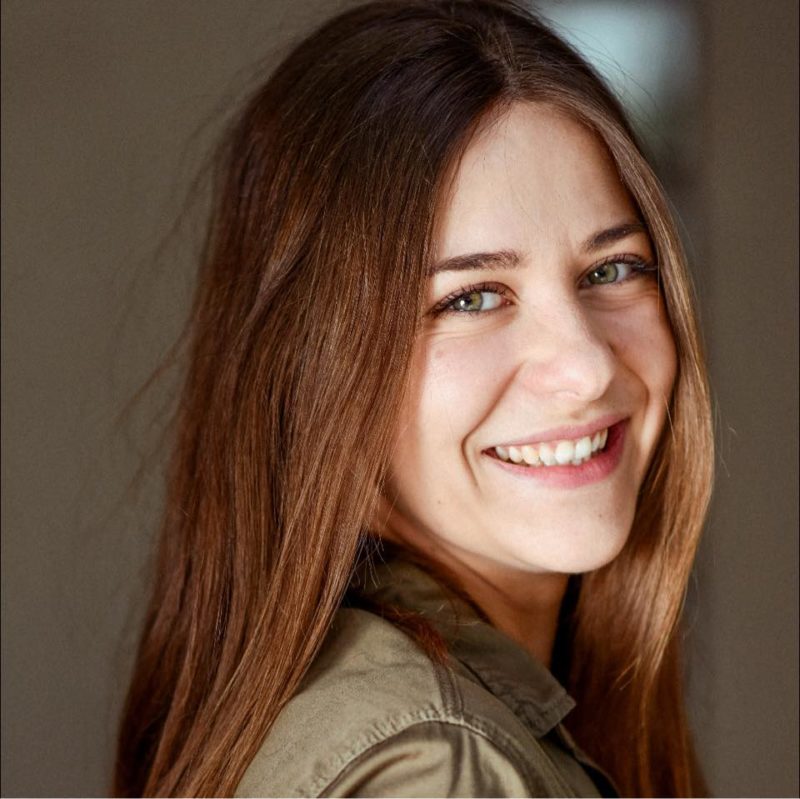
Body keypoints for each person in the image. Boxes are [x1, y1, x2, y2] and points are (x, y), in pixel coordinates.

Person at [113, 1, 714, 796]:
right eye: (471, 297)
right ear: (314, 370)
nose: (586, 367)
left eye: (610, 269)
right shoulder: (438, 767)